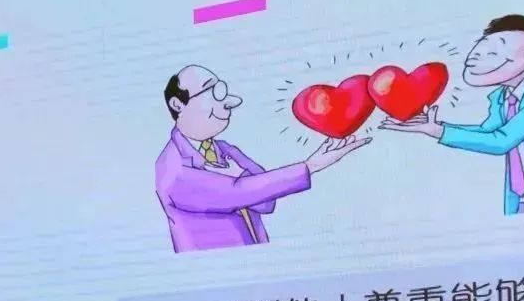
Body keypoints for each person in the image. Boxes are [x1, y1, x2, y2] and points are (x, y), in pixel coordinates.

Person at [380, 14, 524, 216]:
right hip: (523, 200)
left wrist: (439, 131)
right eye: (480, 48)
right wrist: (437, 127)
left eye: (493, 52)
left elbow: (501, 141)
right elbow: (489, 131)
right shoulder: (503, 96)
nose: (475, 57)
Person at [155, 64, 370, 252]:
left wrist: (245, 180)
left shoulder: (225, 149)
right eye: (213, 91)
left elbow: (266, 203)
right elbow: (237, 192)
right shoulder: (172, 167)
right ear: (177, 105)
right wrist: (310, 165)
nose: (229, 103)